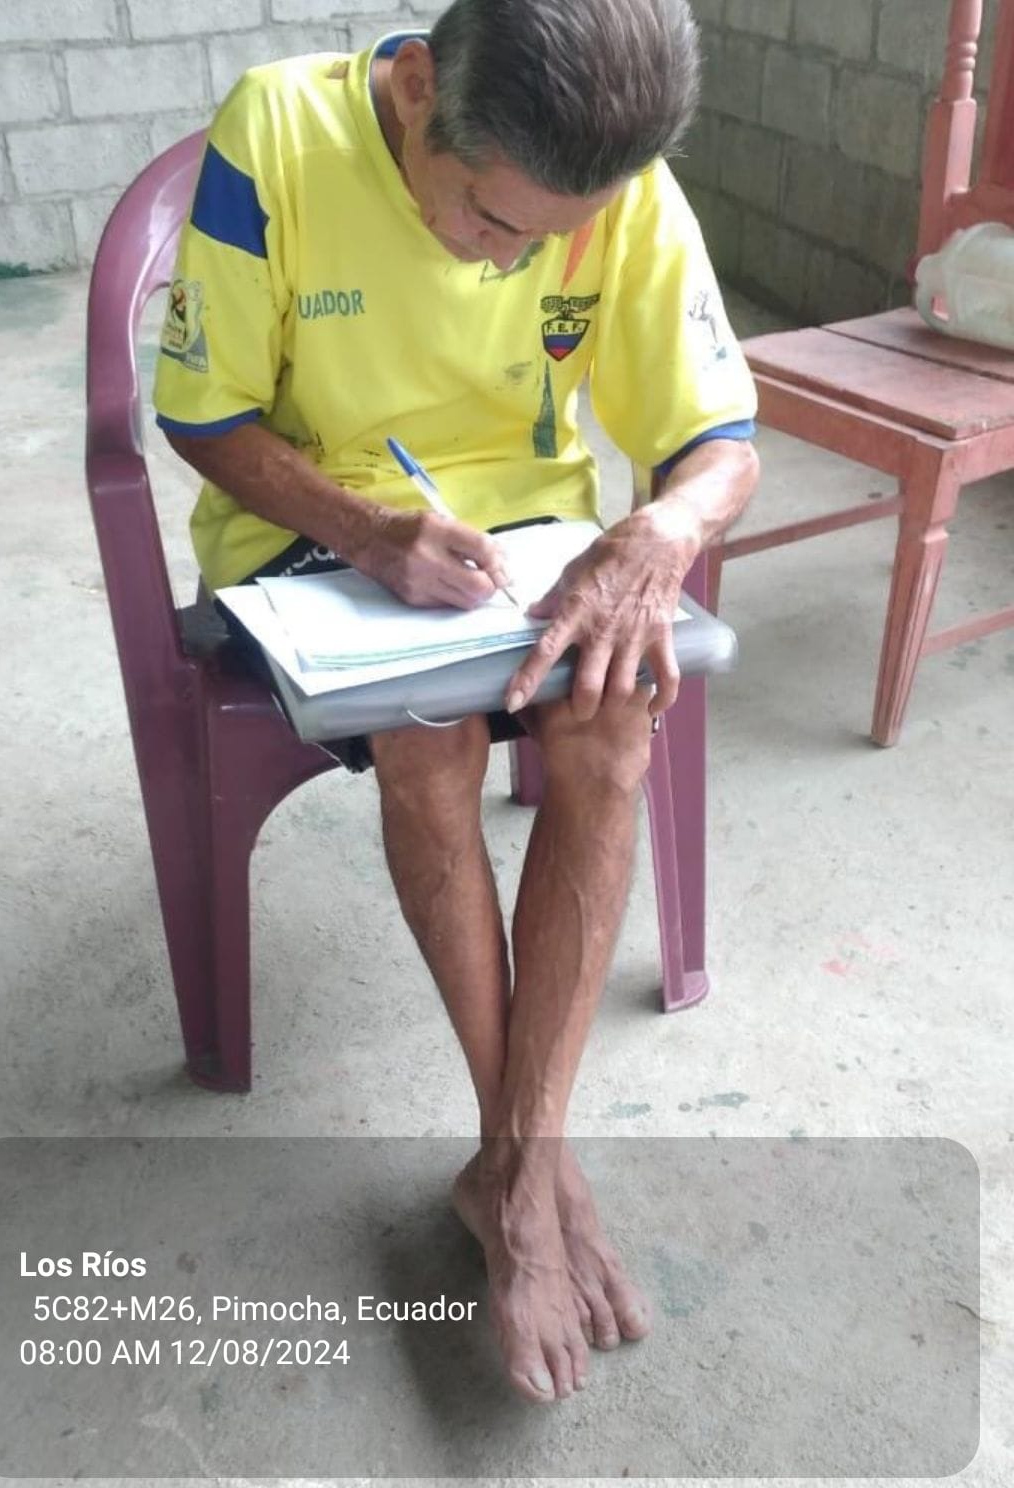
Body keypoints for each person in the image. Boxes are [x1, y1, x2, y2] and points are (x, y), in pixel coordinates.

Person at [154, 0, 759, 1405]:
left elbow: (719, 438)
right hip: (319, 528)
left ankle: (514, 1168)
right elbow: (202, 412)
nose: (512, 260)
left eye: (551, 240)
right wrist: (370, 535)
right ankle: (529, 1171)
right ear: (420, 88)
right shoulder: (278, 131)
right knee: (428, 746)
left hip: (527, 535)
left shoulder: (614, 181)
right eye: (493, 222)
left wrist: (663, 530)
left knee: (612, 724)